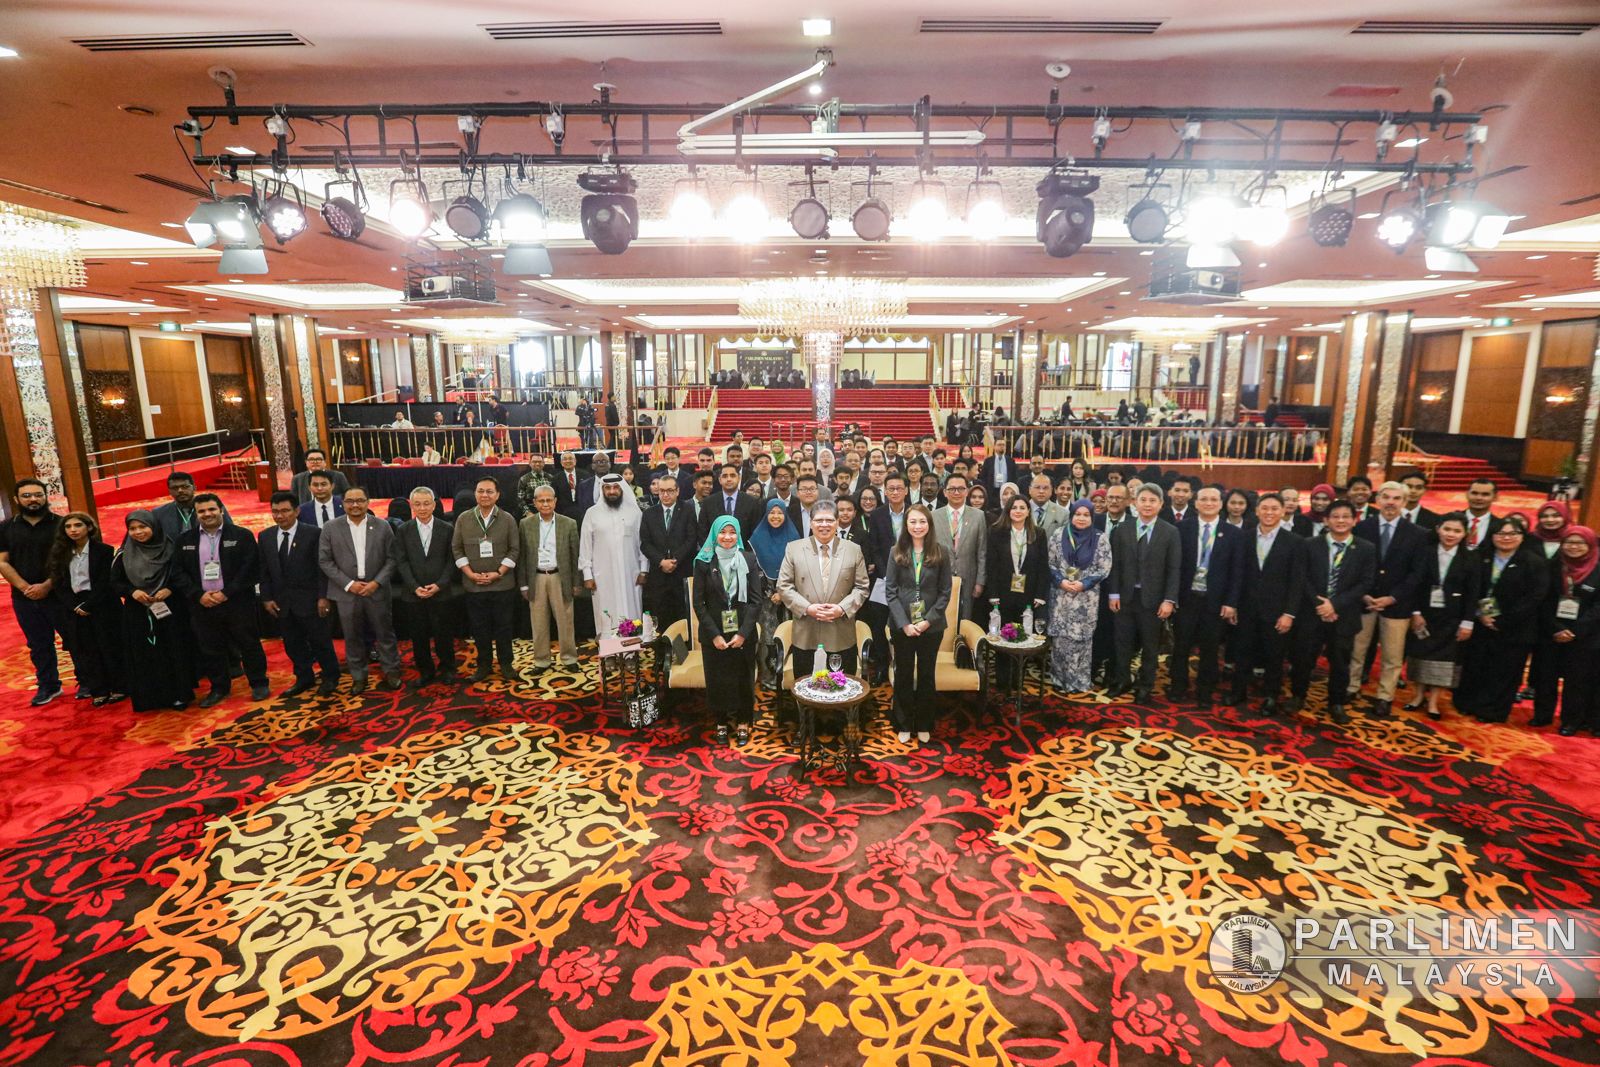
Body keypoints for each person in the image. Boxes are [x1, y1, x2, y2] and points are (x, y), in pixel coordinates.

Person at [174, 493, 270, 706]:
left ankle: (259, 683)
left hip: (237, 603)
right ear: (196, 514)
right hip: (203, 604)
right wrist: (198, 595)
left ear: (221, 510)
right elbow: (178, 573)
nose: (207, 514)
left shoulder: (242, 535)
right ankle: (219, 688)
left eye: (211, 509)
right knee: (210, 648)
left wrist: (227, 592)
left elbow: (250, 568)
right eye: (201, 511)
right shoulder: (184, 540)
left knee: (249, 643)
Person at [1289, 501, 1376, 724]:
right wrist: (1321, 605)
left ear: (1354, 520)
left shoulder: (1366, 548)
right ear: (1326, 520)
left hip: (1344, 615)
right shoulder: (1310, 544)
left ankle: (1336, 702)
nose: (1340, 520)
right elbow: (1302, 577)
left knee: (1340, 662)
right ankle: (1298, 695)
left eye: (1346, 516)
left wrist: (1335, 605)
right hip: (1312, 613)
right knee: (1303, 658)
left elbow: (1365, 582)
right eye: (1335, 516)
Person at [1347, 482, 1429, 716]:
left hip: (1397, 605)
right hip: (1364, 601)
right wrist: (1363, 593)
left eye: (1396, 498)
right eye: (1386, 497)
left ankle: (1385, 696)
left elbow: (1417, 574)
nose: (1391, 502)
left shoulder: (1418, 534)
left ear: (1404, 502)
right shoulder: (1362, 528)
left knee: (1392, 656)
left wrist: (1392, 598)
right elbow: (1353, 565)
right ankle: (1351, 687)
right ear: (1378, 500)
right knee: (1357, 649)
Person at [1456, 523, 1549, 723]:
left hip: (1516, 628)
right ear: (1492, 535)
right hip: (1481, 622)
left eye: (1513, 533)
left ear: (1522, 537)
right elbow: (1469, 587)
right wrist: (1480, 614)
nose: (1506, 537)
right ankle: (1468, 703)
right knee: (1476, 665)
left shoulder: (1534, 562)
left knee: (1504, 671)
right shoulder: (1481, 557)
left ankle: (1492, 711)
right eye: (1500, 533)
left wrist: (1503, 620)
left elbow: (1535, 597)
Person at [317, 485, 403, 693]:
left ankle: (391, 671)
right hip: (346, 592)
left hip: (377, 590)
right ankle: (358, 676)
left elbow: (392, 558)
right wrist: (349, 584)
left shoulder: (382, 526)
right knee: (352, 635)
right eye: (350, 501)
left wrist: (376, 583)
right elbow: (325, 561)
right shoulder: (331, 527)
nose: (355, 505)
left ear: (368, 502)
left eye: (359, 500)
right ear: (343, 503)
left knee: (385, 633)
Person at [1226, 493, 1305, 714]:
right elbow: (1237, 574)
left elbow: (1297, 581)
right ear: (1257, 511)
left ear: (1283, 511)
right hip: (1246, 608)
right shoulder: (1244, 538)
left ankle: (1271, 696)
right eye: (1265, 508)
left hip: (1277, 611)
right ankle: (1238, 691)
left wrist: (1289, 613)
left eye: (1274, 509)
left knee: (1274, 656)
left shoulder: (1295, 541)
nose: (1269, 513)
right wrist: (1233, 604)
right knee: (1242, 652)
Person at [108, 511, 193, 712]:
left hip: (169, 607)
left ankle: (179, 694)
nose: (138, 532)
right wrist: (132, 592)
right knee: (144, 653)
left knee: (173, 649)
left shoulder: (171, 549)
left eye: (143, 527)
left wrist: (170, 589)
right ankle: (150, 698)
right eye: (132, 528)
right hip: (137, 610)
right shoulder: (124, 553)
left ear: (154, 527)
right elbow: (115, 582)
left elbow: (184, 574)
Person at [258, 490, 340, 697]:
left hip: (311, 601)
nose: (280, 516)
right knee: (292, 644)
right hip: (282, 603)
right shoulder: (265, 536)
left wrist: (323, 597)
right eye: (275, 511)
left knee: (320, 642)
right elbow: (264, 570)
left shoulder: (313, 533)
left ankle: (330, 677)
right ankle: (304, 677)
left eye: (285, 511)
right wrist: (266, 597)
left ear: (296, 511)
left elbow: (322, 569)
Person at [776, 500, 871, 676]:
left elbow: (862, 587)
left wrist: (842, 608)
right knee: (806, 686)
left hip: (840, 633)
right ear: (811, 523)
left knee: (841, 686)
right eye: (819, 520)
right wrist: (807, 608)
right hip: (806, 633)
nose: (824, 525)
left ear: (837, 522)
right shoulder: (794, 549)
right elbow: (783, 586)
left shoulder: (853, 549)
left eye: (829, 520)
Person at [1104, 485, 1180, 701]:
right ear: (1134, 503)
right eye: (1143, 500)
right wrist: (1113, 594)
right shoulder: (1122, 529)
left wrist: (1169, 600)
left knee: (1150, 646)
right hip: (1125, 598)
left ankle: (1145, 685)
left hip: (1154, 600)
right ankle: (1122, 680)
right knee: (1122, 643)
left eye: (1152, 501)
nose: (1147, 504)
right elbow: (1115, 565)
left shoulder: (1170, 532)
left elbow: (1174, 569)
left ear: (1161, 504)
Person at [1170, 486, 1242, 708]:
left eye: (1213, 499)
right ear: (1196, 503)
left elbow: (1237, 572)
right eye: (1204, 499)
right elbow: (1174, 566)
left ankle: (1205, 691)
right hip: (1186, 598)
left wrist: (1231, 602)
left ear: (1221, 504)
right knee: (1181, 645)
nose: (1209, 503)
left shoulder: (1233, 533)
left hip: (1215, 601)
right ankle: (1178, 686)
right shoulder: (1182, 528)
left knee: (1210, 649)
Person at [693, 516, 762, 746]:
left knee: (743, 677)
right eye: (723, 532)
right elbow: (699, 603)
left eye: (732, 532)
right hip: (714, 632)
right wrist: (714, 635)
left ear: (738, 535)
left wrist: (742, 633)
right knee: (718, 678)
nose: (727, 537)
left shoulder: (748, 559)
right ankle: (721, 721)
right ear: (715, 534)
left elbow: (756, 601)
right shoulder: (703, 561)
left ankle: (743, 720)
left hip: (743, 631)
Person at [886, 504, 951, 744]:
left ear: (929, 525)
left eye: (922, 521)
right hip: (902, 626)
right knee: (903, 674)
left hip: (931, 627)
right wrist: (904, 624)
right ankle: (903, 723)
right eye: (912, 521)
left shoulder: (941, 552)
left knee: (926, 675)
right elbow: (890, 592)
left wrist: (927, 622)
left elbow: (945, 592)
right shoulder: (895, 551)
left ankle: (924, 723)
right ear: (906, 525)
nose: (917, 526)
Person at [1403, 513, 1478, 721]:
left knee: (1444, 659)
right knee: (1420, 655)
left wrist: (1467, 622)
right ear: (1438, 529)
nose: (1451, 534)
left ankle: (1434, 701)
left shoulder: (1471, 557)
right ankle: (1418, 696)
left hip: (1453, 617)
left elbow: (1473, 592)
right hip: (1424, 614)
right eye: (1447, 529)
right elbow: (1415, 584)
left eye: (1457, 531)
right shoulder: (1425, 551)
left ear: (1465, 533)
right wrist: (1415, 612)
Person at [47, 511, 126, 705]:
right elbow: (59, 583)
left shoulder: (104, 551)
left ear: (89, 527)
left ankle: (119, 686)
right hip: (74, 606)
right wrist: (74, 605)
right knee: (86, 649)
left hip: (101, 603)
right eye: (68, 527)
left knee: (109, 645)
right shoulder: (59, 553)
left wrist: (89, 604)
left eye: (78, 525)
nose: (73, 530)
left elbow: (105, 582)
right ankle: (98, 689)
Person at [1, 479, 66, 705]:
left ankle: (87, 681)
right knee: (38, 644)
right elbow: (2, 561)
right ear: (17, 499)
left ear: (46, 497)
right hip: (24, 597)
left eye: (38, 495)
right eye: (27, 496)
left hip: (59, 593)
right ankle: (49, 685)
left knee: (74, 639)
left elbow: (67, 560)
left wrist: (47, 585)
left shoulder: (61, 524)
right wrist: (25, 588)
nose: (33, 500)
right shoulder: (6, 527)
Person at [452, 476, 521, 680]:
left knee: (504, 627)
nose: (485, 495)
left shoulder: (508, 519)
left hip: (502, 584)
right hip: (474, 585)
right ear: (475, 494)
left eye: (489, 491)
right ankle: (483, 665)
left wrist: (499, 572)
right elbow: (457, 548)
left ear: (497, 495)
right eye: (480, 491)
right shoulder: (464, 518)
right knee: (479, 628)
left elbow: (514, 549)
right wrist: (470, 574)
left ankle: (506, 664)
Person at [392, 486, 460, 684]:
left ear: (434, 505)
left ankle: (447, 668)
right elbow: (401, 561)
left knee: (443, 634)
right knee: (418, 636)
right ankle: (425, 671)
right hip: (413, 593)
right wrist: (414, 586)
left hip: (441, 592)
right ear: (412, 506)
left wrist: (440, 585)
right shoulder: (403, 530)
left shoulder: (447, 528)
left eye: (426, 503)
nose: (422, 508)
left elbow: (452, 561)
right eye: (417, 504)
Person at [1538, 525, 1600, 736]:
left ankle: (1571, 721)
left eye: (1580, 543)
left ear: (1590, 545)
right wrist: (1556, 628)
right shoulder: (1553, 565)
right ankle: (1542, 715)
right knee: (1546, 676)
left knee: (1577, 680)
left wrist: (1575, 630)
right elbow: (1543, 598)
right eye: (1569, 542)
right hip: (1552, 632)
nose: (1574, 547)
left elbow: (1598, 607)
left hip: (1585, 635)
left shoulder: (1598, 567)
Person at [1047, 499, 1111, 694]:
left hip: (1086, 598)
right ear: (1072, 515)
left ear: (1092, 517)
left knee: (1081, 641)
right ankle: (1058, 678)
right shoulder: (1058, 534)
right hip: (1061, 596)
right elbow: (1050, 563)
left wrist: (1084, 583)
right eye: (1077, 514)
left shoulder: (1100, 538)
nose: (1081, 518)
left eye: (1086, 515)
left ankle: (1078, 682)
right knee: (1060, 640)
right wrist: (1061, 581)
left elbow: (1104, 568)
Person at [517, 485, 581, 672]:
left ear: (555, 501)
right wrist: (523, 585)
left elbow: (575, 555)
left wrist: (576, 582)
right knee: (538, 622)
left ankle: (569, 658)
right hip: (536, 577)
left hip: (560, 577)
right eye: (541, 500)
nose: (545, 504)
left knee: (565, 620)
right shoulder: (525, 524)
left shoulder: (569, 523)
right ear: (535, 503)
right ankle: (541, 660)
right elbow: (522, 557)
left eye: (549, 500)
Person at [578, 473, 648, 634]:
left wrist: (644, 570)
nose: (612, 491)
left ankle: (631, 646)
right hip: (602, 575)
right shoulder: (592, 513)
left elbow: (642, 543)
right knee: (605, 611)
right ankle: (608, 647)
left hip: (631, 573)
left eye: (616, 487)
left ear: (622, 489)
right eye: (607, 488)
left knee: (632, 609)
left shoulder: (635, 512)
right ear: (602, 490)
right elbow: (585, 545)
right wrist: (587, 574)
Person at [751, 499, 801, 688]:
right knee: (767, 637)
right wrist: (770, 592)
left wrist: (783, 593)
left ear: (785, 515)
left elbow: (801, 569)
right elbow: (754, 570)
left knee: (791, 634)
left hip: (790, 598)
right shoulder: (757, 538)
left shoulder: (795, 539)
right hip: (766, 600)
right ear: (766, 514)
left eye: (780, 513)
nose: (776, 516)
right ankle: (769, 677)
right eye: (772, 512)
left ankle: (790, 677)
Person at [640, 474, 698, 629]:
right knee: (660, 619)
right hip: (658, 576)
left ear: (677, 491)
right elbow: (645, 544)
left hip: (681, 571)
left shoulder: (688, 510)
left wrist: (675, 560)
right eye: (662, 491)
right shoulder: (649, 514)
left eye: (670, 491)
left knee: (683, 617)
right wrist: (661, 561)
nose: (665, 495)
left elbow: (692, 539)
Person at [936, 473, 987, 623]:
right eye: (952, 489)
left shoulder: (978, 516)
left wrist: (980, 581)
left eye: (961, 489)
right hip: (940, 579)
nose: (956, 492)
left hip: (969, 579)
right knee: (942, 620)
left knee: (965, 620)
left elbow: (982, 552)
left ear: (967, 491)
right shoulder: (934, 516)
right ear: (945, 492)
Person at [702, 463, 763, 542]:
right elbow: (703, 531)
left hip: (743, 548)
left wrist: (744, 550)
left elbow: (755, 532)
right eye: (725, 476)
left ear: (739, 478)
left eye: (732, 475)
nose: (729, 479)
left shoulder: (752, 502)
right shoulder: (708, 502)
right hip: (715, 548)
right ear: (720, 480)